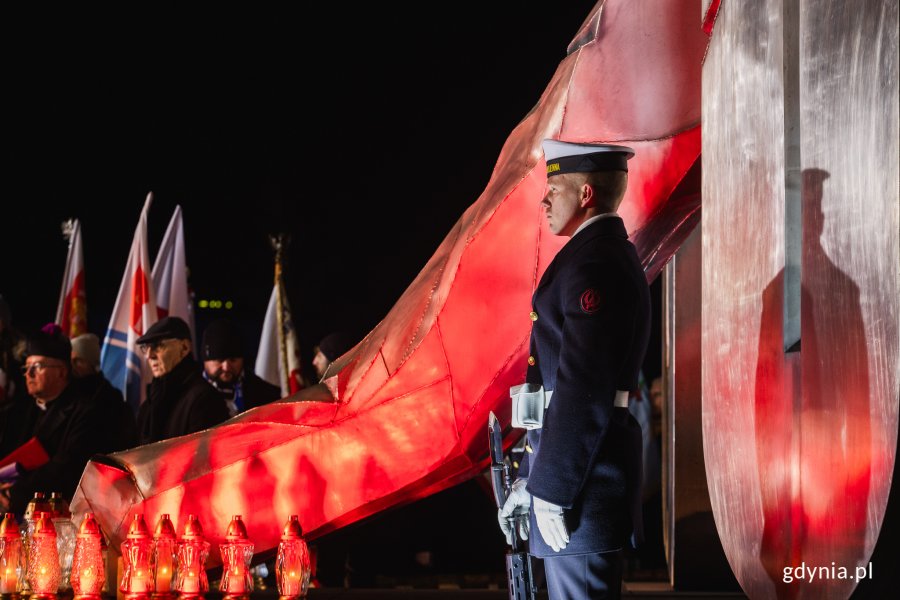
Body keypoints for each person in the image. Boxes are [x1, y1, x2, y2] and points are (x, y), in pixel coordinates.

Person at [498, 140, 651, 599]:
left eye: (554, 187)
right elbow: (553, 396)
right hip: (574, 495)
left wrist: (552, 489)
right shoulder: (593, 257)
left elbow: (584, 389)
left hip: (579, 498)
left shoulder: (595, 263)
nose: (544, 201)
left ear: (585, 194)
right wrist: (532, 477)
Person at [0, 324, 111, 518]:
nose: (29, 374)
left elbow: (67, 467)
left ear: (61, 372)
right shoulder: (20, 411)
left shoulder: (86, 411)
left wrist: (16, 492)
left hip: (56, 516)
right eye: (27, 367)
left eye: (37, 367)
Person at [135, 316, 229, 444]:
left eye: (158, 345)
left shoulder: (205, 399)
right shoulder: (151, 401)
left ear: (184, 347)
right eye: (146, 347)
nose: (149, 355)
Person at [70, 333, 139, 452]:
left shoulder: (110, 399)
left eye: (78, 361)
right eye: (70, 361)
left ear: (92, 364)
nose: (72, 367)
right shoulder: (69, 393)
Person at [200, 318, 281, 416]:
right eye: (220, 361)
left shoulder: (267, 395)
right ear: (205, 361)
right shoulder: (187, 396)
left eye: (233, 360)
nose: (226, 367)